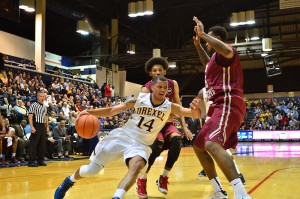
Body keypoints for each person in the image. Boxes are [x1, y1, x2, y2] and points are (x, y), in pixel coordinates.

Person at [54, 75, 200, 199]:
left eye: (165, 88)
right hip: (123, 136)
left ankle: (117, 196)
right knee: (92, 170)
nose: (163, 90)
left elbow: (191, 113)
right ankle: (69, 181)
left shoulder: (169, 106)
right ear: (153, 87)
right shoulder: (139, 100)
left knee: (136, 167)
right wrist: (90, 113)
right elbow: (112, 110)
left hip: (141, 145)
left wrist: (195, 110)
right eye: (160, 87)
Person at [192, 16, 251, 199]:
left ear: (216, 37)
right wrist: (198, 46)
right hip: (218, 106)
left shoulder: (227, 53)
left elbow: (225, 50)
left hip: (228, 103)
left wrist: (202, 34)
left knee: (212, 144)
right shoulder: (214, 62)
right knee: (199, 146)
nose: (207, 43)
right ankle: (218, 192)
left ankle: (241, 194)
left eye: (209, 39)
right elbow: (207, 63)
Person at [136, 57, 193, 198]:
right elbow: (141, 111)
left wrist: (184, 126)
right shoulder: (145, 88)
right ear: (150, 73)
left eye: (160, 70)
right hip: (152, 124)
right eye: (154, 70)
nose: (157, 72)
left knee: (177, 140)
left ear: (165, 71)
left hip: (167, 123)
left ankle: (164, 178)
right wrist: (161, 116)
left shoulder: (172, 84)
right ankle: (142, 179)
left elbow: (178, 106)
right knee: (157, 144)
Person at [196, 88, 246, 184]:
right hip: (210, 118)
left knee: (219, 147)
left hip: (219, 118)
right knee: (206, 147)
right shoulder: (202, 91)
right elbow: (198, 103)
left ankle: (238, 174)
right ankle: (205, 169)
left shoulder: (221, 86)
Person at [27, 90, 49, 167]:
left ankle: (40, 160)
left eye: (44, 96)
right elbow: (30, 116)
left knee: (42, 144)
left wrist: (47, 126)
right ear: (38, 97)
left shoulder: (45, 106)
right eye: (41, 96)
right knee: (34, 143)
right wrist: (31, 126)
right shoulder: (33, 105)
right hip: (36, 124)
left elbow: (46, 116)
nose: (43, 98)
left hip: (43, 125)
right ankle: (31, 161)